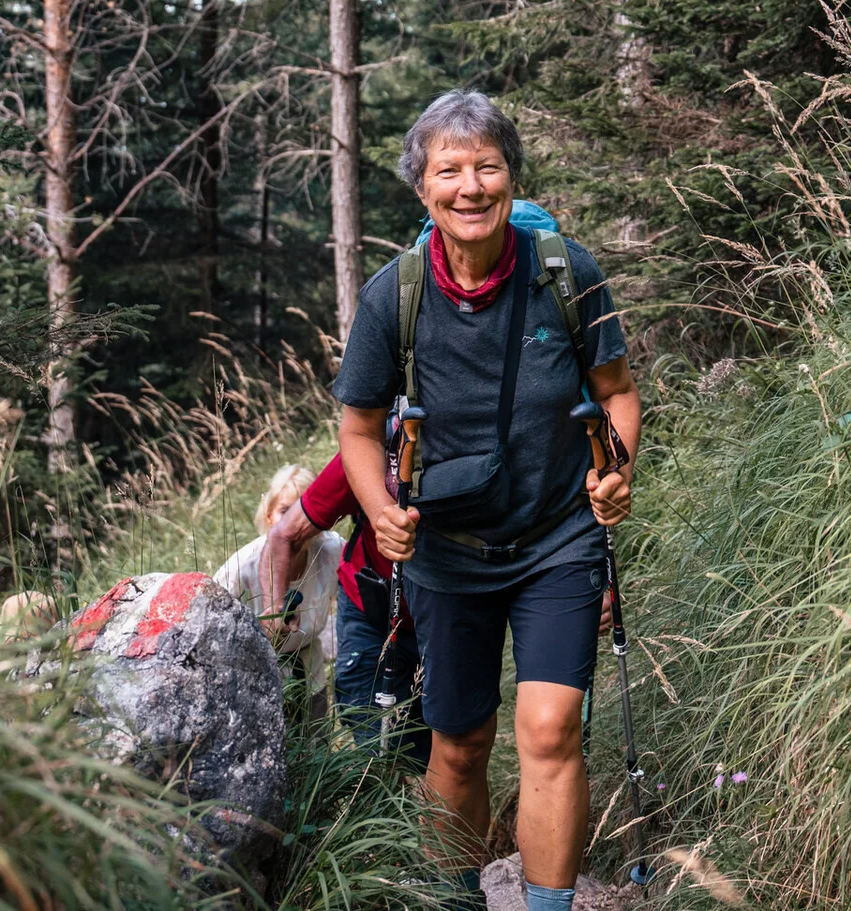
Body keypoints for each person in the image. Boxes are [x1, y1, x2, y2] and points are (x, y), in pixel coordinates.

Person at [332, 90, 641, 911]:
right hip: (444, 550)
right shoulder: (393, 296)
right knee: (460, 743)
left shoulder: (564, 273)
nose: (470, 186)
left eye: (487, 167)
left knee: (548, 729)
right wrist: (382, 510)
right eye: (450, 170)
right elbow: (357, 427)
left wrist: (616, 471)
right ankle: (458, 901)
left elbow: (617, 393)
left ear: (510, 177)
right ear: (424, 188)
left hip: (556, 540)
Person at [261, 453, 432, 766]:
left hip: (439, 620)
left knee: (435, 748)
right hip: (371, 615)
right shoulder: (374, 449)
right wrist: (273, 611)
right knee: (374, 747)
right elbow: (284, 535)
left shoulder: (330, 549)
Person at [213, 464, 344, 716]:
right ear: (269, 514)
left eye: (302, 511)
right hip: (257, 687)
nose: (293, 522)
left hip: (311, 678)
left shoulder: (332, 550)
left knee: (317, 749)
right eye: (285, 510)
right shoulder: (240, 570)